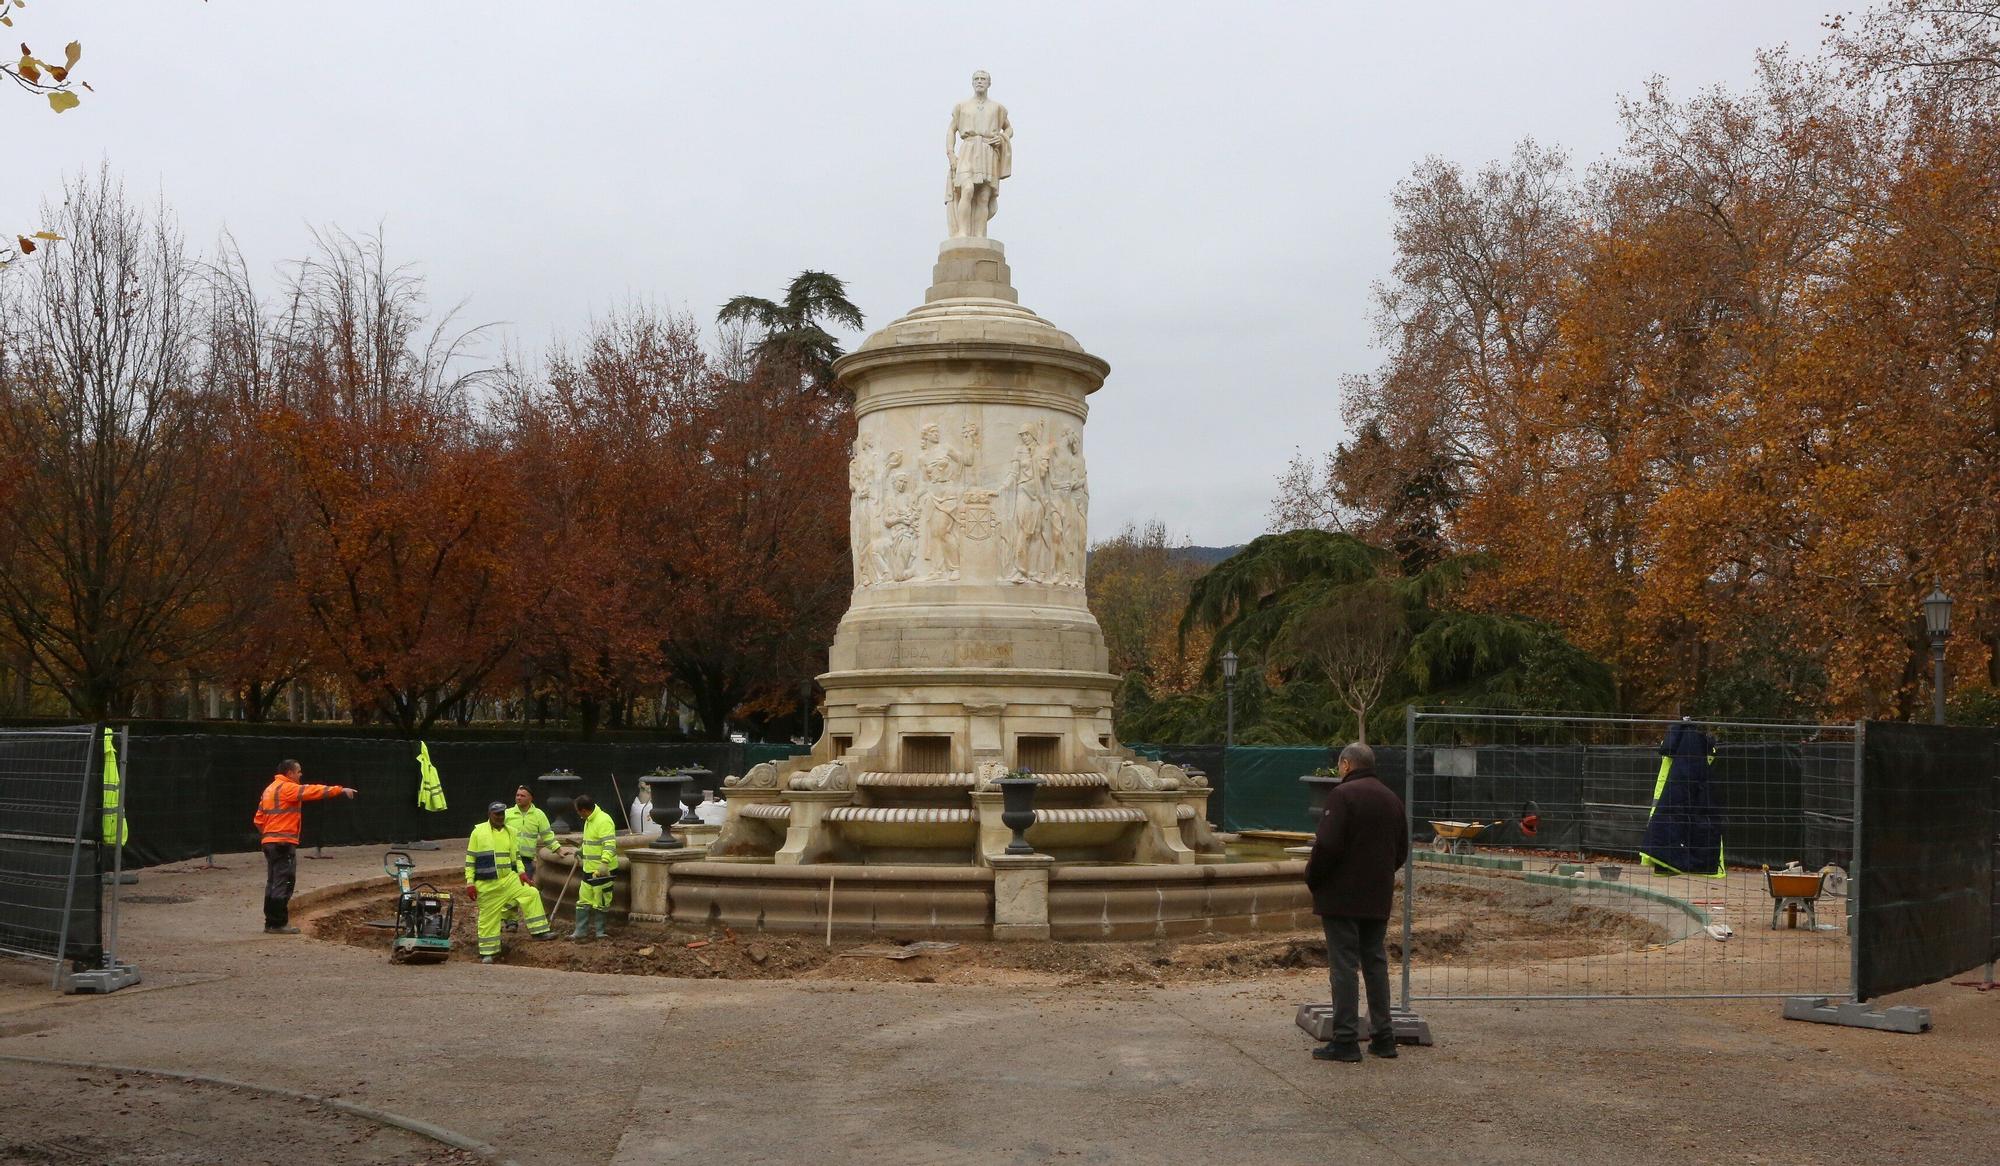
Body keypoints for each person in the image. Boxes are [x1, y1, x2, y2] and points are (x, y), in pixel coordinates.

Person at [1304, 742, 1409, 1063]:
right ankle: (1384, 1038)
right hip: (1377, 896)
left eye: (1340, 766)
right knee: (1375, 963)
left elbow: (1328, 845)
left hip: (1341, 898)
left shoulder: (1342, 796)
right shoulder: (1392, 798)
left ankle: (1346, 1040)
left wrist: (1313, 877)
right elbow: (1401, 850)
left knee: (1344, 966)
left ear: (1347, 765)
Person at [254, 760, 355, 934]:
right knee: (284, 882)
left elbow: (258, 819)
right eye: (298, 771)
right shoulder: (287, 788)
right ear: (289, 773)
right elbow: (312, 791)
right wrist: (340, 790)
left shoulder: (269, 789)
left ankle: (270, 922)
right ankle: (278, 924)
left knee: (272, 882)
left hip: (269, 842)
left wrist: (269, 835)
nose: (301, 774)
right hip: (283, 843)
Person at [465, 801, 555, 963]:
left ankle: (539, 931)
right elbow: (470, 859)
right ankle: (488, 952)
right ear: (490, 815)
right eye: (497, 814)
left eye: (502, 814)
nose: (500, 817)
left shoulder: (511, 832)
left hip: (509, 879)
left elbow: (516, 857)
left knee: (531, 893)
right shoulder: (478, 832)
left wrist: (522, 874)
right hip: (487, 884)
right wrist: (470, 882)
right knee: (488, 917)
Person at [571, 794, 618, 942]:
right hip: (589, 869)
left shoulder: (603, 821)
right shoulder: (589, 820)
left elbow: (609, 845)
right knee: (583, 900)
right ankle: (580, 932)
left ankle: (600, 932)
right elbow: (591, 841)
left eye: (578, 812)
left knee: (602, 901)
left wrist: (604, 864)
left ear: (584, 810)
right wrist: (582, 850)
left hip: (603, 871)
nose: (578, 815)